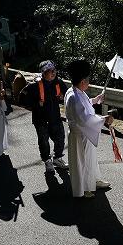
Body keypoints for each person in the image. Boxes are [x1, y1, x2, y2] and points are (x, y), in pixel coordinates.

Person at [64, 60, 112, 198]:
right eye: (88, 79)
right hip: (80, 134)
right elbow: (84, 119)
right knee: (81, 162)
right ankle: (83, 189)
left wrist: (95, 100)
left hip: (85, 133)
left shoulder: (76, 91)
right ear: (83, 81)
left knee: (90, 159)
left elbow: (84, 106)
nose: (89, 82)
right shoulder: (74, 96)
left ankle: (94, 180)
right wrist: (104, 119)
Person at [25, 60, 68, 172]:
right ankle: (47, 161)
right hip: (40, 120)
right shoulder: (34, 85)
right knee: (44, 141)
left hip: (55, 117)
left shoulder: (58, 82)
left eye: (54, 70)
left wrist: (64, 97)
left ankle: (57, 158)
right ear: (43, 73)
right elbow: (23, 99)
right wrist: (36, 104)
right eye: (49, 71)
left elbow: (68, 94)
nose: (53, 73)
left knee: (60, 139)